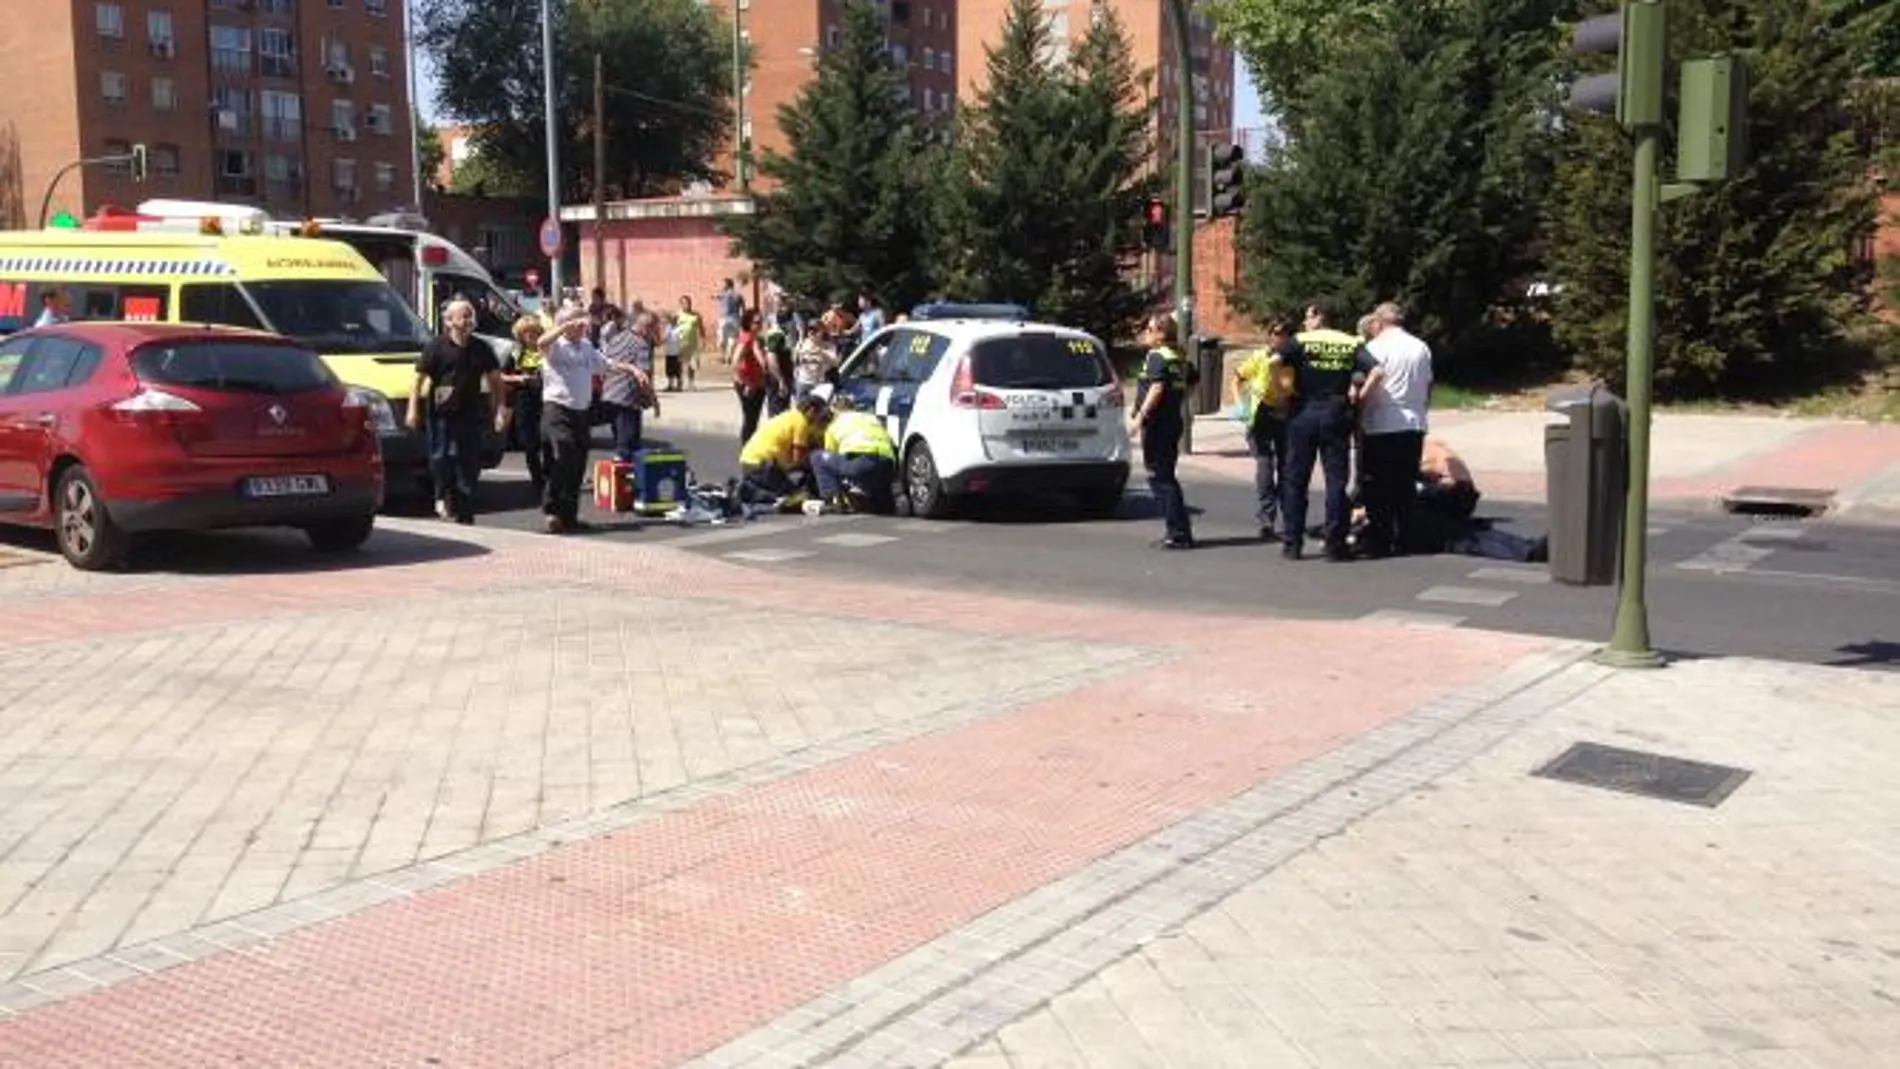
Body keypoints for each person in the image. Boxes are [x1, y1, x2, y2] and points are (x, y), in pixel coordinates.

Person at [1278, 298, 1378, 561]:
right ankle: (1335, 544)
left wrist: (1282, 393)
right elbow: (1377, 370)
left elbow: (1272, 361)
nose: (1305, 321)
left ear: (1320, 316)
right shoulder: (1351, 342)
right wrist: (1359, 398)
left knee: (1296, 480)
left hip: (1304, 412)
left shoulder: (1300, 341)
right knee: (1336, 481)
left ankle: (1292, 543)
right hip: (1337, 412)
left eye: (1308, 316)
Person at [536, 305, 641, 534]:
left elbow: (607, 364)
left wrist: (632, 370)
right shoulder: (555, 345)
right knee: (564, 452)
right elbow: (541, 343)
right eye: (579, 322)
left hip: (581, 411)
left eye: (584, 322)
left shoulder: (585, 346)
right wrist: (563, 326)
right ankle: (551, 509)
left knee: (578, 463)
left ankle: (569, 516)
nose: (584, 326)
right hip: (558, 409)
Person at [407, 299, 504, 525]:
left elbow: (496, 381)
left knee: (468, 460)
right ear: (449, 321)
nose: (469, 320)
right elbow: (417, 379)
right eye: (463, 316)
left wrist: (499, 409)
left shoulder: (481, 348)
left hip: (469, 412)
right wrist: (412, 410)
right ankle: (442, 494)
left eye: (470, 315)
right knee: (441, 456)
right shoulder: (436, 347)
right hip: (441, 412)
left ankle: (465, 508)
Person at [1127, 313, 1195, 550]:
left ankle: (1177, 532)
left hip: (1156, 424)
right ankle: (1179, 530)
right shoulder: (1179, 356)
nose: (1146, 332)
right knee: (1166, 475)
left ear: (1161, 333)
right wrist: (1179, 401)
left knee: (1161, 478)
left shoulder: (1157, 356)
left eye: (1149, 328)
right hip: (1172, 421)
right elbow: (1192, 380)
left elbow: (1156, 388)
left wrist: (1139, 418)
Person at [1231, 321, 1295, 541]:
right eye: (1276, 334)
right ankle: (1267, 519)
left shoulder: (1294, 359)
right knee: (1265, 464)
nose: (1280, 338)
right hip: (1262, 414)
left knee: (1287, 467)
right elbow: (1237, 377)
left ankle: (1290, 518)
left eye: (1285, 334)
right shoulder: (1260, 357)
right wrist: (1240, 404)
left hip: (1285, 414)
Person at [811, 389, 898, 513]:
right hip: (887, 465)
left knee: (817, 457)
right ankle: (885, 505)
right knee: (881, 495)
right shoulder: (871, 418)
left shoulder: (834, 425)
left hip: (860, 464)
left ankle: (833, 500)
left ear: (834, 411)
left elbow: (831, 454)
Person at [738, 391, 830, 501]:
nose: (818, 418)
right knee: (793, 494)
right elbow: (798, 459)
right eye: (819, 414)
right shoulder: (801, 423)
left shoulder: (790, 415)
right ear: (811, 410)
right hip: (762, 466)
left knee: (786, 483)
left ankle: (754, 487)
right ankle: (754, 493)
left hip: (748, 462)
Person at [500, 314, 547, 494]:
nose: (530, 336)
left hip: (544, 399)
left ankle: (548, 474)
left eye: (533, 332)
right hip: (523, 400)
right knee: (529, 443)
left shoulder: (545, 351)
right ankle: (537, 479)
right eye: (526, 332)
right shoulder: (515, 353)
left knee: (546, 440)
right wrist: (520, 378)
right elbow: (501, 375)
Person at [601, 310, 656, 462]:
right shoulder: (641, 345)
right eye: (654, 329)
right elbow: (643, 378)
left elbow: (607, 362)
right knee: (629, 444)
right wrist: (652, 400)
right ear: (646, 328)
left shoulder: (617, 338)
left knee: (619, 437)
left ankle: (619, 471)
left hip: (609, 394)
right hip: (627, 398)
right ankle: (627, 477)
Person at [731, 308, 769, 444]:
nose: (759, 325)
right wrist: (746, 382)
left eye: (761, 322)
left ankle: (750, 448)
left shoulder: (757, 339)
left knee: (753, 419)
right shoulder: (746, 338)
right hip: (748, 384)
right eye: (756, 322)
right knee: (750, 419)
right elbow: (735, 361)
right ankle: (746, 448)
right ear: (748, 323)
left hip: (758, 383)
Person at [675, 295, 704, 390]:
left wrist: (703, 340)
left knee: (692, 364)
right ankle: (679, 383)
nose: (686, 305)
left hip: (693, 343)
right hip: (680, 343)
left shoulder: (696, 315)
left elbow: (701, 328)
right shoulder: (677, 315)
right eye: (684, 303)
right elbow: (672, 328)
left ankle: (691, 383)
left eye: (688, 303)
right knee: (679, 364)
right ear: (680, 304)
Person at [715, 278, 744, 364]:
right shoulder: (738, 295)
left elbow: (716, 296)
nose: (721, 285)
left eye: (723, 284)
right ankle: (728, 357)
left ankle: (723, 356)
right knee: (732, 339)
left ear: (727, 285)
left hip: (725, 318)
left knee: (721, 339)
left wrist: (714, 296)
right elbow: (743, 307)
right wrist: (742, 317)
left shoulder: (723, 294)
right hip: (735, 318)